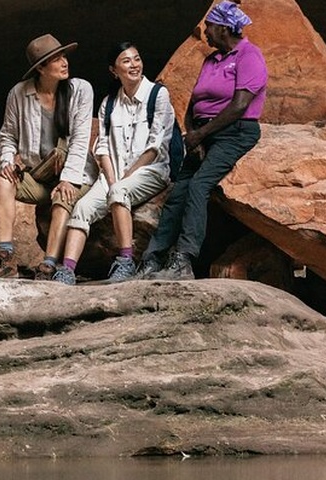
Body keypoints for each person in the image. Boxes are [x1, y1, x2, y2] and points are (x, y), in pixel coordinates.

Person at [139, 0, 267, 280]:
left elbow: (239, 106)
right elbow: (194, 103)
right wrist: (192, 136)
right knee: (178, 193)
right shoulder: (211, 60)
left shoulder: (249, 56)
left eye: (209, 25)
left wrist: (201, 135)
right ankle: (152, 259)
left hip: (235, 132)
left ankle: (183, 261)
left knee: (199, 185)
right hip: (203, 133)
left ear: (223, 28)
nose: (204, 31)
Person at [51, 42, 175, 285]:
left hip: (151, 171)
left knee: (119, 191)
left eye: (137, 59)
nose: (134, 65)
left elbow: (156, 144)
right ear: (114, 70)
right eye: (126, 61)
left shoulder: (158, 94)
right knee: (82, 207)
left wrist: (125, 177)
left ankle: (126, 261)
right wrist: (110, 177)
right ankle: (66, 271)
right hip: (113, 175)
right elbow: (103, 146)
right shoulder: (109, 103)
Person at [0, 34, 96, 280]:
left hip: (76, 173)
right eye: (56, 59)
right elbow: (7, 135)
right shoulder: (19, 94)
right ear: (41, 68)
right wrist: (6, 162)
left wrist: (68, 179)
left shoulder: (80, 90)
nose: (64, 62)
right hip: (41, 175)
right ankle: (4, 257)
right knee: (4, 182)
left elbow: (80, 138)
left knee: (64, 196)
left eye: (64, 56)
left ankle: (48, 265)